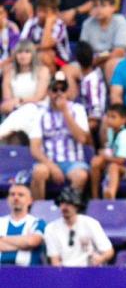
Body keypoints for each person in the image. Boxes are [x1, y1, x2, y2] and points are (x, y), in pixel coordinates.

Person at [28, 71, 90, 199]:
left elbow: (82, 139)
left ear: (67, 92)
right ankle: (38, 209)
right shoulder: (39, 112)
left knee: (81, 176)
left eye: (63, 89)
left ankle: (68, 206)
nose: (59, 93)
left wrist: (65, 112)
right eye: (55, 89)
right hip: (49, 161)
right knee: (39, 172)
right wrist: (52, 166)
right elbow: (35, 148)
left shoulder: (77, 109)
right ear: (48, 92)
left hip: (73, 161)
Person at [44, 187, 114, 267]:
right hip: (65, 271)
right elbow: (55, 261)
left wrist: (100, 259)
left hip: (88, 270)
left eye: (70, 203)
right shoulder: (51, 228)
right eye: (62, 203)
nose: (65, 207)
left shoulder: (91, 223)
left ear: (77, 206)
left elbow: (109, 251)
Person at [80, 0, 126, 79]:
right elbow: (83, 51)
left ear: (113, 8)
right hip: (92, 62)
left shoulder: (121, 21)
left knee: (111, 64)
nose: (98, 10)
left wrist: (97, 60)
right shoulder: (87, 23)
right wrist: (90, 62)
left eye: (103, 6)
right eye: (95, 6)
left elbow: (119, 52)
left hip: (116, 61)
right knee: (69, 69)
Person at [90, 103, 126, 199]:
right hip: (113, 164)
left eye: (113, 117)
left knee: (113, 167)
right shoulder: (110, 131)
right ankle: (94, 196)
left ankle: (111, 194)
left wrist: (105, 157)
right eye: (108, 116)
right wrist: (103, 154)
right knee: (96, 161)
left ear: (123, 120)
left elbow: (121, 160)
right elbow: (109, 150)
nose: (109, 120)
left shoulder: (125, 135)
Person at [0, 183, 46, 266]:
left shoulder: (37, 222)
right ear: (7, 199)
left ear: (30, 200)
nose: (16, 198)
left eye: (21, 195)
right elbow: (28, 243)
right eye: (12, 194)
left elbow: (32, 241)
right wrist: (24, 244)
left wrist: (2, 239)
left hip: (28, 272)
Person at [1, 43, 50, 116]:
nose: (23, 55)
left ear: (33, 54)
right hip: (16, 111)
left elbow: (39, 97)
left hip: (38, 110)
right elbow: (7, 101)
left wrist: (19, 100)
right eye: (19, 52)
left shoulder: (42, 71)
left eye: (27, 52)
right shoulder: (9, 74)